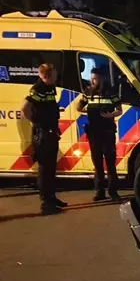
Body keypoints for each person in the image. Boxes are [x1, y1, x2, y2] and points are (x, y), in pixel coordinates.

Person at [20, 63, 67, 215]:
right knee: (45, 170)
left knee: (51, 169)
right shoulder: (38, 88)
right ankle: (46, 204)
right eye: (54, 73)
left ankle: (51, 198)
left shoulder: (50, 88)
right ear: (48, 75)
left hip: (51, 132)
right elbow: (24, 108)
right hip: (43, 134)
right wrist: (36, 121)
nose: (57, 75)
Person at [76, 67, 123, 202]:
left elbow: (119, 110)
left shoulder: (111, 92)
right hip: (94, 132)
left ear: (102, 79)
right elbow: (79, 107)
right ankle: (99, 192)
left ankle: (113, 192)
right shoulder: (88, 92)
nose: (92, 81)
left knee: (110, 163)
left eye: (95, 78)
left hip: (107, 132)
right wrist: (89, 111)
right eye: (91, 78)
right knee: (97, 163)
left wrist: (110, 115)